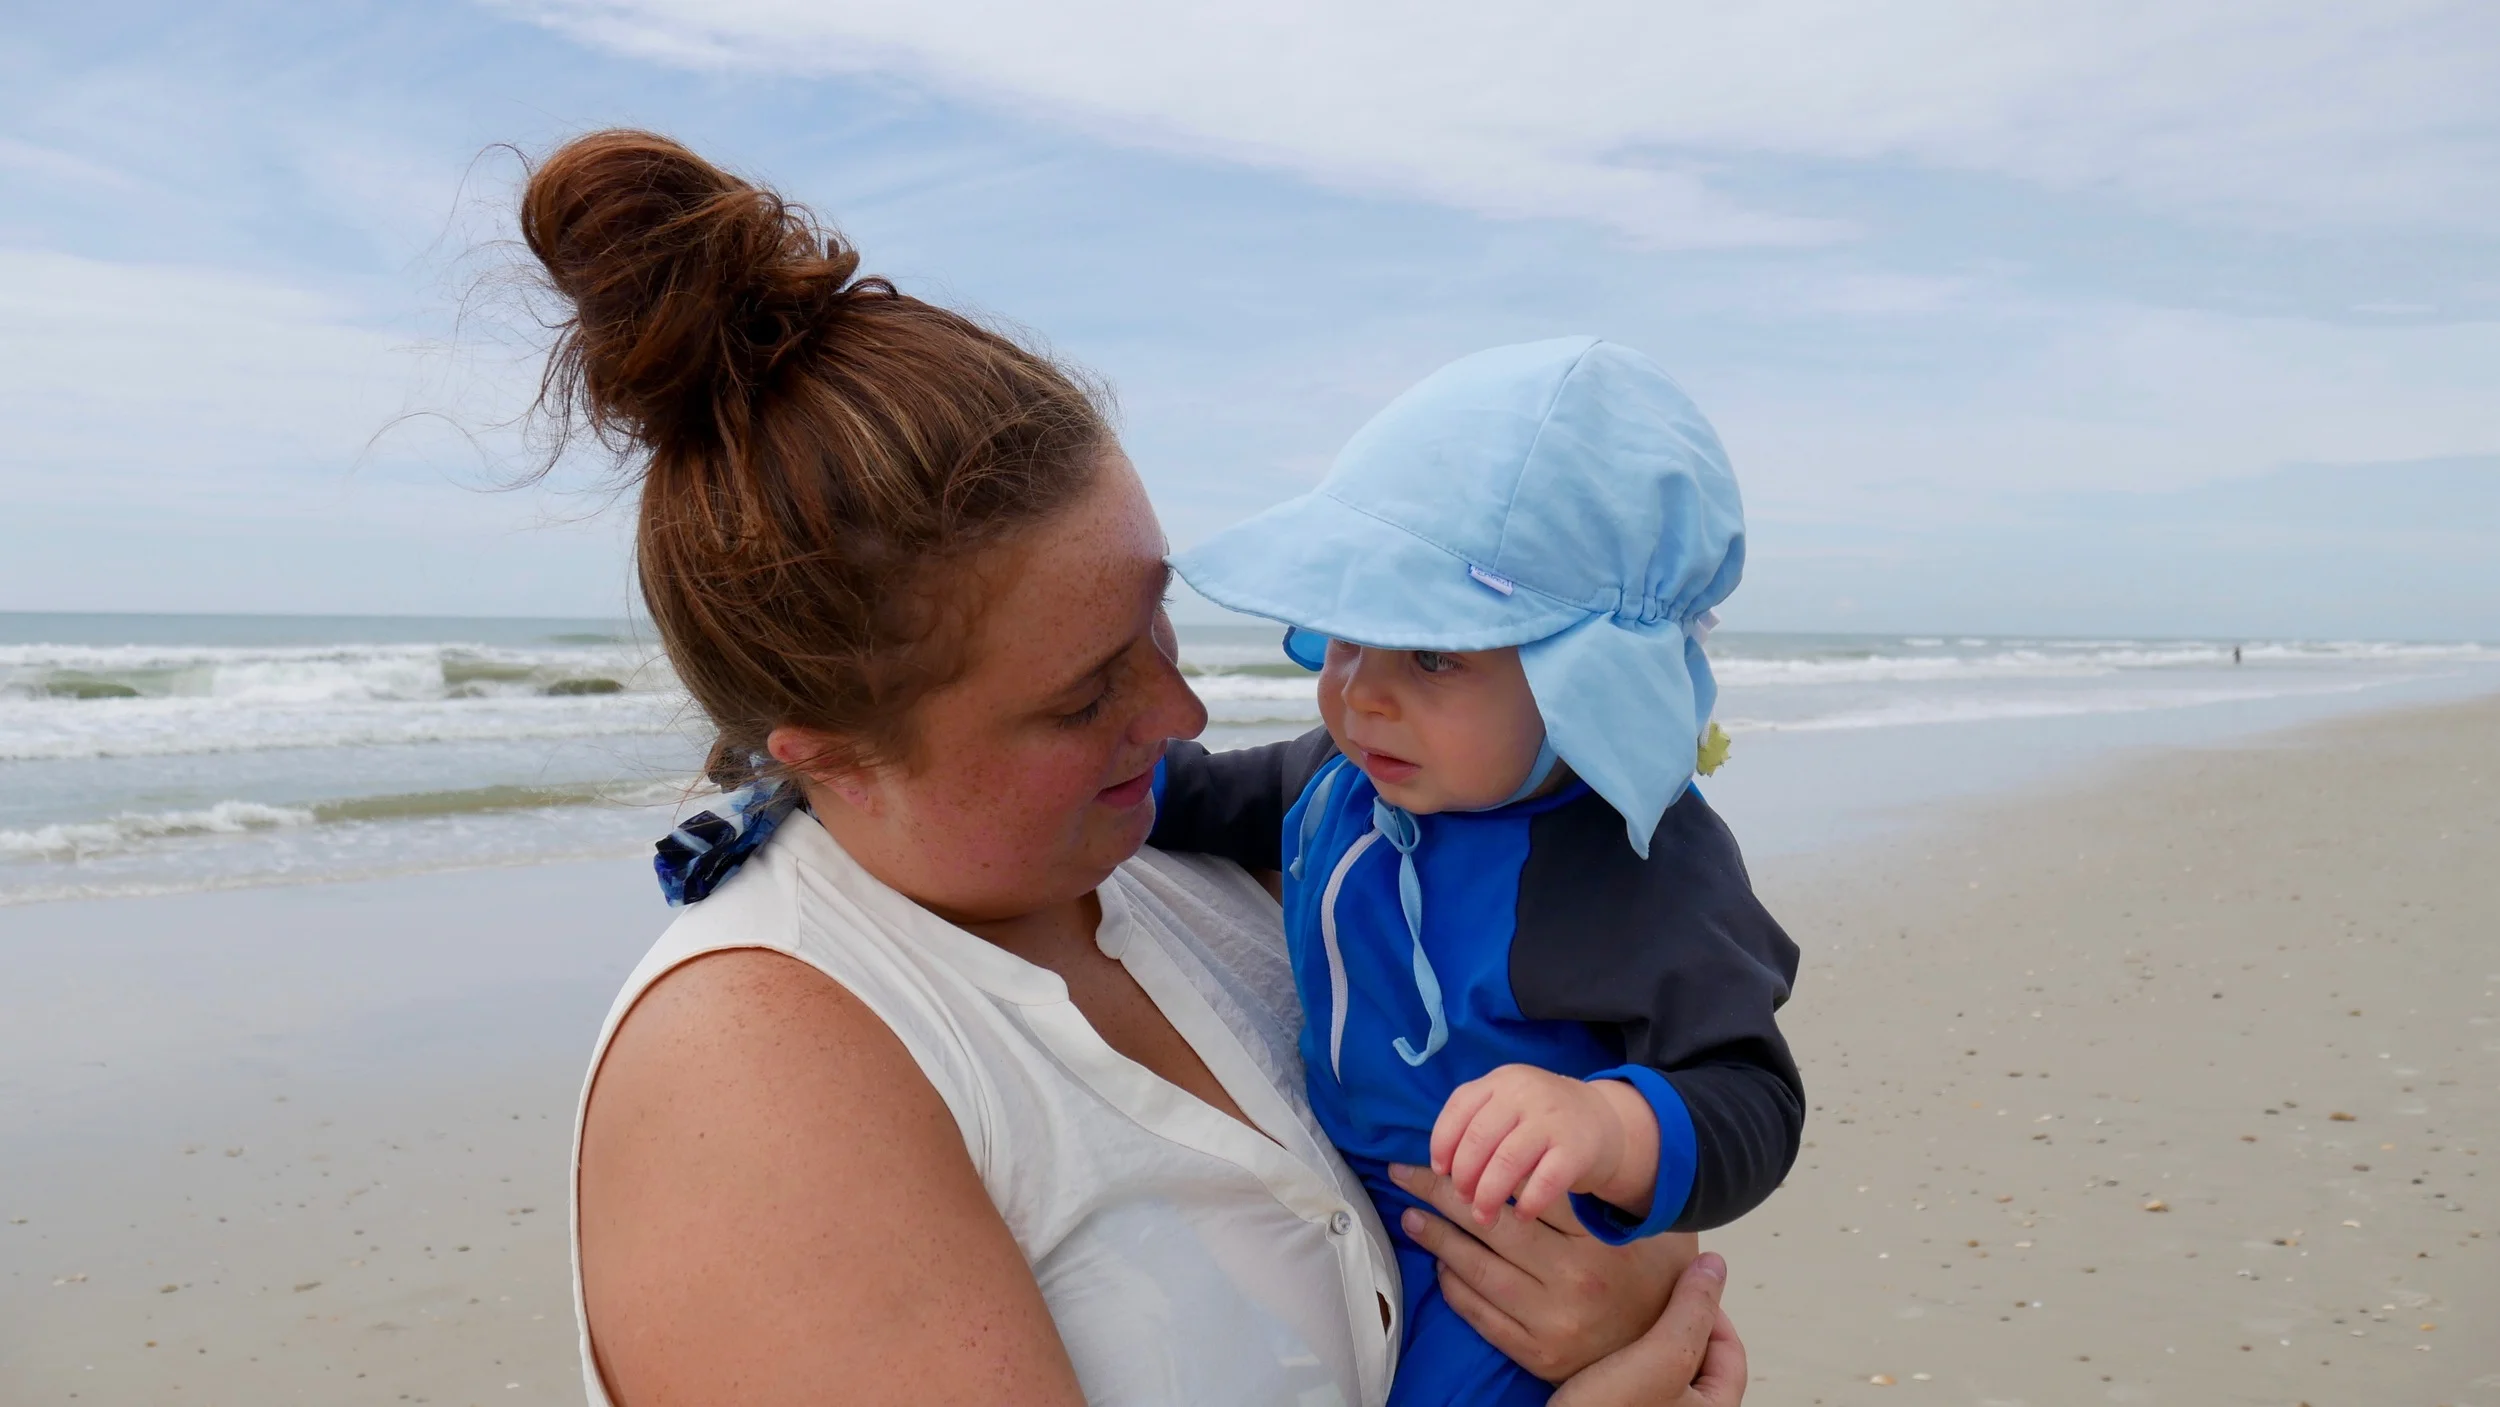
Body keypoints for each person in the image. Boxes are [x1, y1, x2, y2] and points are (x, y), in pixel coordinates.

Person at [527, 130, 1752, 1407]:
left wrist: (1629, 1273)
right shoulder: (757, 1079)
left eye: (1156, 626)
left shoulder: (1204, 868)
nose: (1183, 714)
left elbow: (1609, 1114)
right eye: (1081, 697)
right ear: (827, 756)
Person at [1148, 341, 1802, 1406]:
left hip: (1500, 1247)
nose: (1361, 694)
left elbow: (1753, 1100)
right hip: (1341, 1193)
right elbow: (1190, 795)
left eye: (1433, 654)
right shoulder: (1339, 778)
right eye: (1348, 638)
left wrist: (1605, 1126)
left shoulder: (1638, 860)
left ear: (1583, 682)